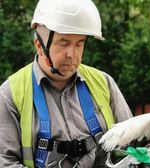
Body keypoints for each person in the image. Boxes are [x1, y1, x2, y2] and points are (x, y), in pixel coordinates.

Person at [0, 0, 133, 167]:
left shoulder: (103, 83)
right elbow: (5, 163)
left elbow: (132, 145)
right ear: (39, 46)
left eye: (79, 44)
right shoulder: (10, 94)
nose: (72, 54)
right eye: (63, 44)